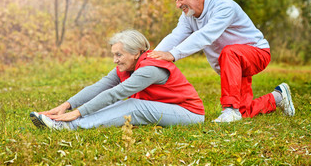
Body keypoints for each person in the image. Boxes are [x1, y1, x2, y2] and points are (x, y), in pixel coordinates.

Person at [147, 0, 295, 123]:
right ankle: (278, 97)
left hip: (257, 53)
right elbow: (175, 36)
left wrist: (173, 54)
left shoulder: (223, 6)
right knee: (243, 111)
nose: (178, 5)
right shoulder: (188, 16)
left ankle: (230, 109)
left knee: (229, 52)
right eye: (175, 0)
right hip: (234, 65)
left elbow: (205, 35)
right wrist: (151, 57)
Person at [30, 29, 205, 130]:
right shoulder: (128, 66)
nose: (115, 60)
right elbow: (99, 87)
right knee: (117, 105)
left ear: (136, 53)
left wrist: (77, 113)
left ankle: (68, 126)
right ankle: (59, 120)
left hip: (189, 114)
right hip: (166, 108)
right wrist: (66, 106)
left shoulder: (151, 68)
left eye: (119, 55)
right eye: (114, 55)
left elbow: (117, 93)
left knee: (133, 106)